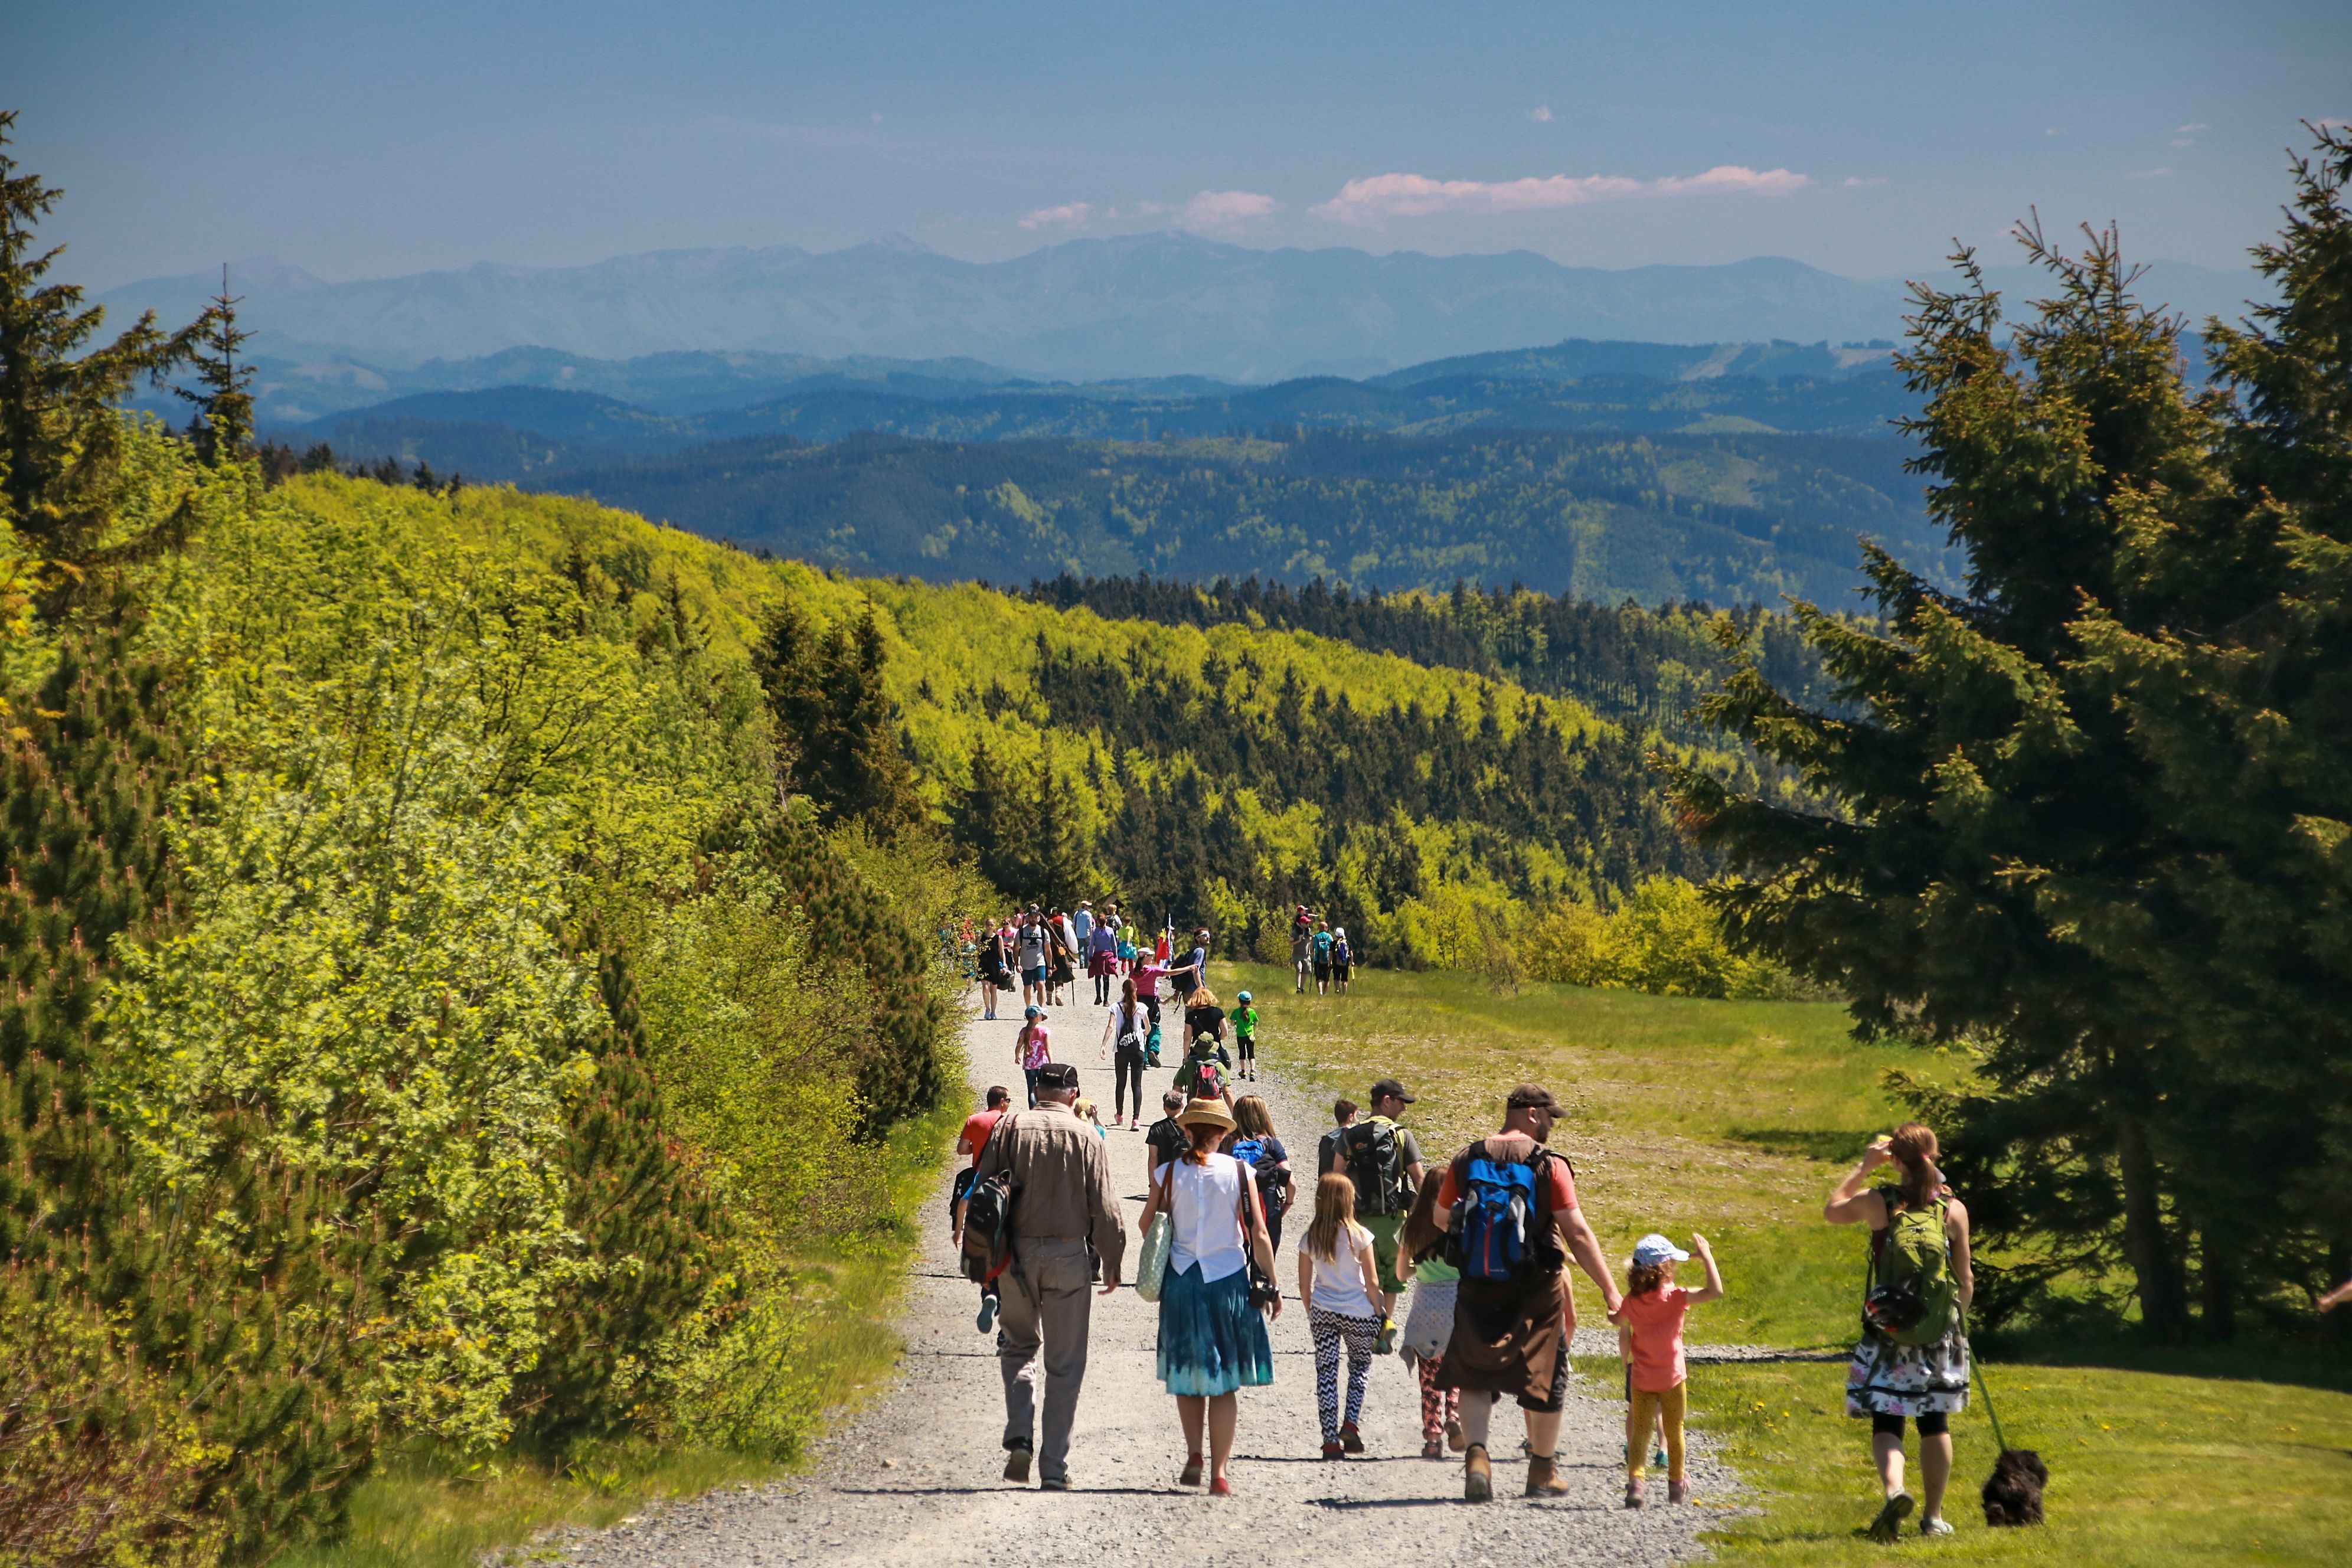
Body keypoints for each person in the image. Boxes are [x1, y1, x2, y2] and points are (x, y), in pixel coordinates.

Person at [1429, 1083, 1622, 1502]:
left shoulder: (1468, 1157)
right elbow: (1577, 1232)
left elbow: (1441, 1217)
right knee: (1546, 1372)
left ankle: (1478, 1459)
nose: (1552, 1125)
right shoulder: (1549, 1165)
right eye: (1550, 1117)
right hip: (1538, 1286)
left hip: (1479, 1283)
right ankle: (1541, 1472)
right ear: (1532, 1114)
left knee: (1476, 1370)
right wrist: (1610, 1289)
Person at [972, 1062, 1126, 1491]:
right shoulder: (1086, 1136)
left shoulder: (1009, 1127)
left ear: (1037, 1089)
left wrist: (983, 1259)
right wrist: (1112, 1260)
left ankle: (1021, 1433)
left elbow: (984, 1189)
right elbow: (1106, 1208)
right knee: (1065, 1364)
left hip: (1015, 1256)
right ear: (1073, 1093)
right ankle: (1053, 1469)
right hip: (1068, 1256)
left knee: (1019, 1347)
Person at [1827, 1123, 1974, 1541]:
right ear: (1934, 1155)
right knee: (1935, 1422)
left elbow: (1832, 1210)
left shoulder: (1880, 1202)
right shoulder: (1952, 1209)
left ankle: (1895, 1490)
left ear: (1895, 1159)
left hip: (1889, 1332)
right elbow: (1965, 1280)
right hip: (1937, 1334)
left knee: (1887, 1419)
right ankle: (1933, 1517)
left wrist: (1865, 1166)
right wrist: (1952, 1323)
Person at [1138, 1097, 1279, 1495]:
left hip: (1182, 1281)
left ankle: (1194, 1454)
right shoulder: (1240, 1171)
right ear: (1222, 1133)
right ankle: (1220, 1472)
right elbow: (1260, 1234)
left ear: (1186, 1131)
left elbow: (1147, 1222)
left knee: (1187, 1371)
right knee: (1226, 1380)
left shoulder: (1166, 1173)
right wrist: (1272, 1282)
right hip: (1228, 1280)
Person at [1609, 1232, 1724, 1508]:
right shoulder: (1676, 1297)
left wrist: (1612, 1310)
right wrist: (1706, 1256)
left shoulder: (1632, 1302)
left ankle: (1636, 1483)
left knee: (1640, 1432)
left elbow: (1617, 1319)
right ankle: (1675, 1485)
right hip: (1672, 1378)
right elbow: (1715, 1291)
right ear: (1667, 1269)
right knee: (1675, 1430)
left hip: (1642, 1379)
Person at [1296, 1172, 1385, 1459]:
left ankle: (1330, 1442)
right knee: (1359, 1366)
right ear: (1350, 1200)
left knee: (1327, 1374)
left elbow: (1304, 1285)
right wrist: (1378, 1311)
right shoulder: (1360, 1236)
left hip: (1324, 1310)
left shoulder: (1311, 1237)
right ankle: (1350, 1423)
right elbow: (1372, 1281)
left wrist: (1314, 1311)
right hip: (1357, 1311)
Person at [1342, 1079, 1426, 1319]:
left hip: (1359, 1221)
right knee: (1393, 1279)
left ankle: (1368, 1322)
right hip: (1394, 1220)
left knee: (1369, 1275)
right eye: (1401, 1103)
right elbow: (1419, 1180)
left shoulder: (1350, 1135)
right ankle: (1384, 1325)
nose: (1404, 1108)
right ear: (1387, 1101)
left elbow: (1336, 1177)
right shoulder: (1402, 1136)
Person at [953, 1085, 1014, 1331]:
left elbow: (961, 1150)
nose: (1009, 1103)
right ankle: (1006, 1326)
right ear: (1001, 1102)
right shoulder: (1009, 1123)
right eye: (1008, 1100)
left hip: (980, 1187)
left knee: (985, 1253)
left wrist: (958, 1231)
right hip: (1005, 1186)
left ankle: (989, 1293)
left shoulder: (974, 1120)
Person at [1226, 1094, 1295, 1250]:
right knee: (1263, 1270)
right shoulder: (1271, 1144)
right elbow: (1290, 1181)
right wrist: (1287, 1204)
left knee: (1237, 1264)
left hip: (1234, 1214)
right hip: (1267, 1213)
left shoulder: (1227, 1142)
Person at [1106, 978, 1152, 1128]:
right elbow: (1148, 1028)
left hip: (1121, 1050)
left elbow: (1111, 1027)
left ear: (1123, 991)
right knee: (1137, 1085)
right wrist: (1143, 1035)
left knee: (1121, 1083)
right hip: (1138, 1050)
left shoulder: (1116, 1007)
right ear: (1136, 991)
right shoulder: (1142, 1008)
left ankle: (1120, 1115)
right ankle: (1136, 1120)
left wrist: (1104, 1045)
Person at [1173, 1030, 1231, 1105]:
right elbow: (1227, 1092)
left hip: (1194, 1106)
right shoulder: (1219, 1066)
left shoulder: (1188, 1065)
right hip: (1215, 1107)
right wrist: (1234, 1114)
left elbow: (1176, 1090)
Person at [1144, 1088, 1187, 1181]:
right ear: (1182, 1106)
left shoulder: (1156, 1129)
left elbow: (1153, 1158)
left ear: (1164, 1107)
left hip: (1164, 1178)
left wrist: (1152, 1184)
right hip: (1187, 1178)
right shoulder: (1191, 1127)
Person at [1015, 1005, 1053, 1108]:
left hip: (1029, 1065)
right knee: (1043, 1088)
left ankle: (1033, 1110)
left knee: (1031, 1090)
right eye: (1041, 1015)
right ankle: (1042, 1108)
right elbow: (1047, 1048)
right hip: (1042, 1064)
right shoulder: (1045, 1031)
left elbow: (1019, 1045)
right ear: (1037, 1017)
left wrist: (1017, 1056)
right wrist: (1051, 1063)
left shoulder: (1024, 1031)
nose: (1042, 1016)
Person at [1317, 1099, 1358, 1177]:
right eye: (1356, 1116)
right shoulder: (1351, 1137)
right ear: (1351, 1117)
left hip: (1326, 1183)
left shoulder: (1327, 1138)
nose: (1357, 1119)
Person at [1017, 912, 1049, 1010]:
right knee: (1028, 987)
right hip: (1025, 964)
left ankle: (1041, 1010)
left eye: (1036, 917)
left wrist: (1050, 966)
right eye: (1031, 917)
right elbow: (1015, 949)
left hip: (1040, 962)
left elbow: (1048, 950)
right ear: (1028, 918)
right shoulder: (1022, 932)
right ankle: (1028, 1009)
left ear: (1039, 918)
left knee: (1040, 984)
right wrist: (1017, 964)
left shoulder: (1044, 932)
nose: (1034, 919)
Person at [1182, 986, 1229, 1054]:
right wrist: (1216, 1040)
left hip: (1196, 1050)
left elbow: (1187, 1038)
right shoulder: (1218, 1012)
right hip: (1215, 1050)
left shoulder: (1191, 1015)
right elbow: (1225, 1032)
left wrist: (1186, 1057)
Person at [1087, 917, 1121, 1005]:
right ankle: (1106, 1000)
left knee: (1097, 978)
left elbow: (1091, 946)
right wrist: (1116, 957)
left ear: (1098, 922)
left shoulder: (1095, 931)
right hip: (1108, 956)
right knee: (1106, 978)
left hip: (1098, 956)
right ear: (1106, 922)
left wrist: (1090, 957)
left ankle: (1098, 997)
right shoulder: (1110, 931)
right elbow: (1114, 945)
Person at [1170, 927, 1210, 998]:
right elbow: (1195, 969)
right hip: (1195, 990)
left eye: (1209, 936)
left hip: (1187, 990)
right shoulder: (1200, 951)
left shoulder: (1192, 951)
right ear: (1198, 938)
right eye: (1205, 935)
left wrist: (1178, 992)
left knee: (1189, 1009)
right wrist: (1201, 988)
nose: (1208, 937)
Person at [1230, 989, 1260, 1081]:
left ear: (1240, 1001)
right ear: (1250, 1001)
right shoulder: (1253, 1012)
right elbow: (1256, 1024)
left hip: (1240, 1035)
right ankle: (1253, 1071)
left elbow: (1232, 1023)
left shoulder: (1236, 1012)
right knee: (1251, 1054)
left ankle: (1243, 1072)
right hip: (1250, 1036)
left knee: (1242, 1053)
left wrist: (1236, 1024)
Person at [1291, 904, 1315, 994]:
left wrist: (1311, 941)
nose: (1308, 924)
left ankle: (1302, 988)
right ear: (1302, 923)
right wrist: (1298, 941)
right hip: (1297, 954)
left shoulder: (1307, 930)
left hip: (1306, 954)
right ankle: (1298, 988)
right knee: (1299, 970)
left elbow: (1310, 939)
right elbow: (1290, 943)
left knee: (1306, 971)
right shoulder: (1296, 931)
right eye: (1306, 923)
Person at [1311, 919, 1335, 996]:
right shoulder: (1330, 937)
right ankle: (1325, 993)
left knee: (1319, 977)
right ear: (1326, 928)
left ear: (1319, 928)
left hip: (1317, 960)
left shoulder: (1316, 937)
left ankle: (1320, 992)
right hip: (1328, 960)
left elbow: (1311, 949)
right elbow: (1333, 949)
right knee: (1327, 978)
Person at [1331, 926, 1354, 995]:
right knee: (1344, 980)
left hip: (1336, 963)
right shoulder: (1348, 943)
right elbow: (1351, 953)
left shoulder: (1334, 943)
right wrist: (1352, 962)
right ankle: (1344, 994)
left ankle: (1337, 989)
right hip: (1345, 963)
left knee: (1336, 978)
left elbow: (1330, 954)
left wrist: (1330, 962)